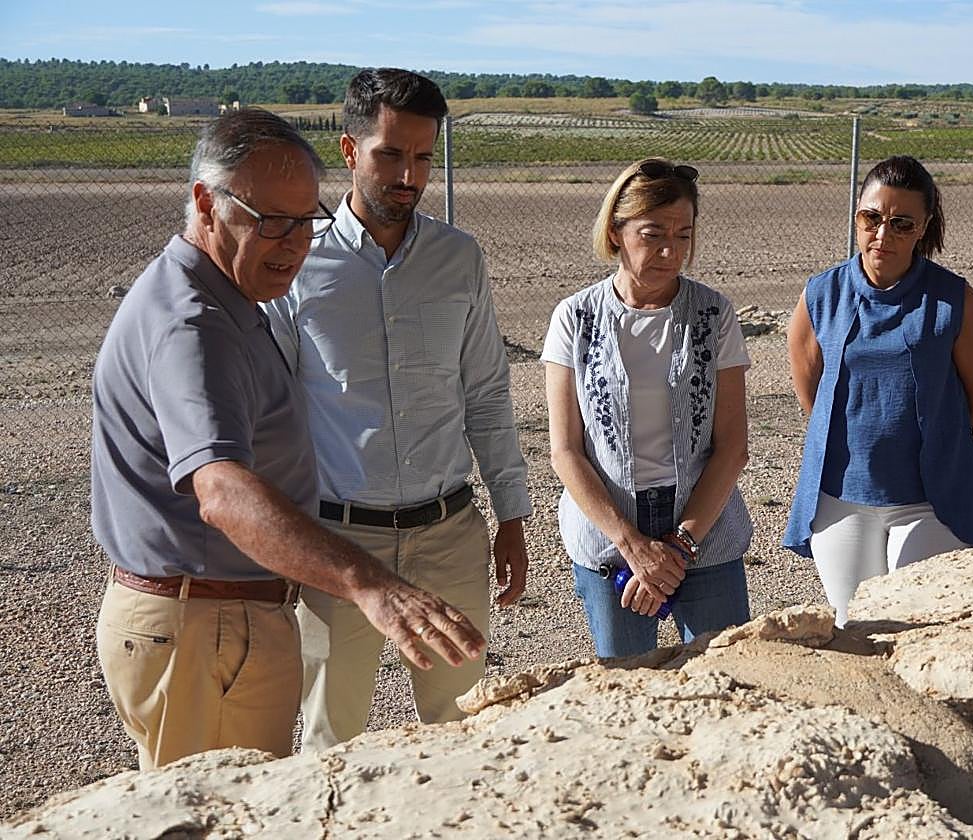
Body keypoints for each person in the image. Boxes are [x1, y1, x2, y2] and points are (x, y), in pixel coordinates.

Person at [91, 109, 483, 770]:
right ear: (204, 204)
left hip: (221, 623)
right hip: (202, 629)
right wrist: (366, 581)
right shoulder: (195, 326)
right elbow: (219, 489)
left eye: (306, 221)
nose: (292, 243)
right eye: (269, 220)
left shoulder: (228, 299)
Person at [264, 68, 531, 752]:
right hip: (339, 548)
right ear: (350, 151)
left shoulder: (460, 259)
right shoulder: (299, 266)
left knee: (465, 728)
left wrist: (513, 514)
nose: (408, 175)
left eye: (421, 156)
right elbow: (272, 412)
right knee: (331, 737)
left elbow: (486, 392)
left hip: (449, 536)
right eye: (390, 154)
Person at [541, 158, 753, 659]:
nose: (669, 251)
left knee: (727, 681)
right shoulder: (574, 318)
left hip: (705, 535)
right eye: (653, 233)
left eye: (683, 235)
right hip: (609, 541)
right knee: (625, 694)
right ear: (615, 231)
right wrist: (632, 545)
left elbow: (732, 446)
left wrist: (679, 546)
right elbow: (565, 450)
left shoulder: (714, 314)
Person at [782, 155, 973, 627]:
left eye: (902, 224)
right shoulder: (821, 294)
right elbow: (811, 394)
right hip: (841, 499)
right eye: (872, 218)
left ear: (924, 228)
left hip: (931, 500)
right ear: (857, 215)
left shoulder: (953, 299)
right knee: (854, 630)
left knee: (922, 626)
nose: (884, 234)